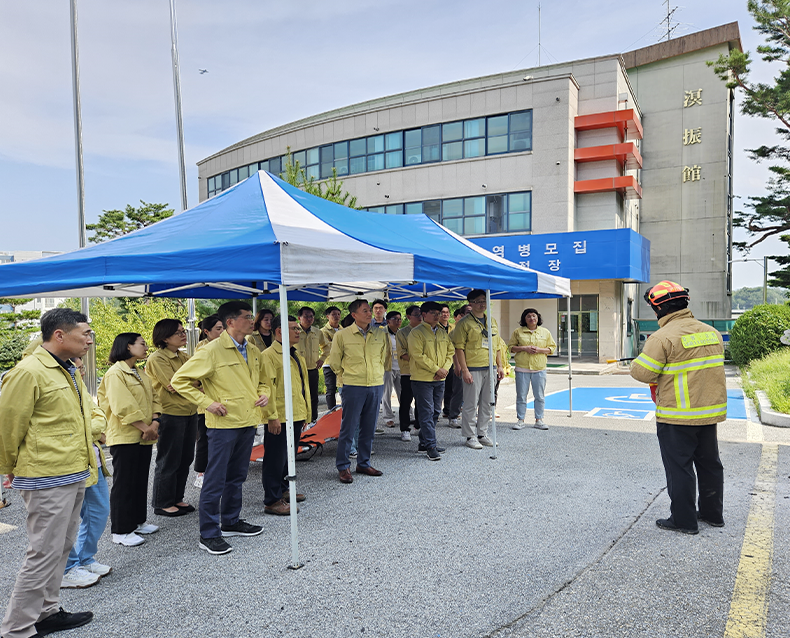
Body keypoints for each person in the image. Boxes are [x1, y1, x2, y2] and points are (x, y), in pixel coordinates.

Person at [0, 308, 96, 638]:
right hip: (46, 477)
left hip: (73, 472)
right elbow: (8, 425)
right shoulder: (28, 372)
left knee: (60, 547)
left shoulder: (68, 369)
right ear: (59, 335)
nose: (88, 339)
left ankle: (47, 611)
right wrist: (6, 471)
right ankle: (16, 629)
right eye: (83, 333)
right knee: (42, 552)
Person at [171, 301, 272, 555]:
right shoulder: (212, 351)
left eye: (252, 316)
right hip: (224, 425)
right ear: (230, 322)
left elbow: (263, 381)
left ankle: (230, 521)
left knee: (237, 476)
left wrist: (264, 394)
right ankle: (209, 533)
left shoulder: (253, 349)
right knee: (215, 479)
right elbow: (179, 380)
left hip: (248, 421)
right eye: (248, 317)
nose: (253, 320)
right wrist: (207, 403)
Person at [631, 281, 727, 535]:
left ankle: (684, 520)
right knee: (710, 465)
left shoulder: (662, 337)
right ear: (685, 302)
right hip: (708, 413)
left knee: (679, 468)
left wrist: (635, 362)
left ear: (657, 309)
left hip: (677, 416)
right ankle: (712, 514)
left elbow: (643, 372)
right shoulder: (711, 333)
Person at [98, 333, 162, 548]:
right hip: (125, 435)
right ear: (128, 346)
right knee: (124, 483)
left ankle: (137, 521)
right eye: (142, 344)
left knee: (140, 479)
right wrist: (146, 428)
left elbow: (155, 398)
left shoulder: (139, 372)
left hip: (144, 434)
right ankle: (121, 529)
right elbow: (122, 405)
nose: (146, 347)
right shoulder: (116, 373)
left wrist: (154, 423)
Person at [61, 356, 111, 589]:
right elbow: (68, 427)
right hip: (67, 463)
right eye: (77, 368)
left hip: (92, 460)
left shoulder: (80, 386)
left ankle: (85, 558)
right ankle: (68, 567)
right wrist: (91, 430)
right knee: (67, 520)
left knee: (99, 511)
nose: (81, 372)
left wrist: (91, 429)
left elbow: (98, 416)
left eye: (82, 368)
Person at [327, 299, 389, 484]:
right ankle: (343, 466)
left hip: (376, 384)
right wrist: (348, 378)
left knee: (369, 427)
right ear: (354, 315)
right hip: (353, 386)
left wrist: (377, 375)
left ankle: (363, 462)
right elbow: (335, 362)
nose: (370, 313)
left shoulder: (380, 333)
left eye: (370, 310)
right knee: (349, 427)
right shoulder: (342, 335)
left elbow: (384, 358)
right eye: (365, 311)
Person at [145, 319, 198, 517]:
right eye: (178, 332)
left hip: (190, 411)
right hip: (171, 412)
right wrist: (195, 384)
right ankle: (162, 502)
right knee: (169, 459)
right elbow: (173, 385)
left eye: (183, 331)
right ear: (165, 337)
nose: (183, 334)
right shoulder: (157, 358)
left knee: (185, 458)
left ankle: (177, 497)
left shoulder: (183, 356)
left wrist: (194, 383)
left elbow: (199, 377)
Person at [260, 315, 309, 515]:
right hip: (280, 416)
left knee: (288, 456)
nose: (298, 331)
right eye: (293, 328)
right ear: (279, 331)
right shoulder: (269, 355)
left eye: (298, 328)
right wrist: (272, 416)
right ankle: (272, 499)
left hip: (295, 413)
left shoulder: (294, 353)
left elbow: (303, 386)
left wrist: (307, 413)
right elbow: (266, 388)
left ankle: (283, 489)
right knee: (274, 458)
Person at [450, 290, 504, 449]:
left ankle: (482, 433)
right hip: (473, 368)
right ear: (471, 303)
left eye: (485, 300)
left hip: (490, 367)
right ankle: (470, 436)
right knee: (471, 404)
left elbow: (497, 345)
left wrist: (499, 365)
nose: (482, 304)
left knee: (488, 402)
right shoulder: (464, 323)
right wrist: (464, 369)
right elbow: (459, 348)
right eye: (479, 301)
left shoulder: (491, 321)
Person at [409, 302, 454, 461]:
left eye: (439, 312)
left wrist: (444, 370)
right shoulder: (416, 333)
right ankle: (430, 446)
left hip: (439, 378)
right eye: (433, 313)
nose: (438, 315)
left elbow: (451, 351)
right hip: (422, 379)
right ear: (424, 314)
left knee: (435, 412)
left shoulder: (442, 332)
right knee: (426, 412)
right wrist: (436, 369)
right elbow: (418, 355)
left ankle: (424, 442)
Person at [508, 308, 556, 430]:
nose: (532, 318)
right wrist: (524, 348)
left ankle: (539, 420)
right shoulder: (518, 332)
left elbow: (552, 348)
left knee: (539, 395)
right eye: (528, 316)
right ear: (524, 319)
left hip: (539, 368)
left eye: (534, 316)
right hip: (522, 368)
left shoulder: (545, 332)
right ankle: (520, 420)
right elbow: (511, 348)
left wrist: (539, 350)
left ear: (538, 318)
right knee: (521, 395)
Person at [193, 315, 224, 489]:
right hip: (206, 403)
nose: (222, 332)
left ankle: (216, 470)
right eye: (218, 329)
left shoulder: (225, 345)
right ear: (207, 332)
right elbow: (199, 376)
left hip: (221, 400)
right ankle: (201, 473)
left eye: (223, 328)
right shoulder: (203, 348)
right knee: (204, 439)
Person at [396, 305, 422, 441]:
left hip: (424, 373)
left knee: (421, 401)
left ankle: (419, 425)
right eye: (416, 314)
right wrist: (421, 360)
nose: (420, 317)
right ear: (408, 317)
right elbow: (402, 353)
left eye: (421, 314)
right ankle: (405, 428)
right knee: (406, 401)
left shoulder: (426, 331)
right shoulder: (402, 333)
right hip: (408, 372)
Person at [295, 306, 324, 424]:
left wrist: (322, 358)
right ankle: (300, 419)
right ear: (299, 318)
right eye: (306, 316)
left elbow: (326, 346)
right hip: (297, 370)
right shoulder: (293, 330)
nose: (309, 318)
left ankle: (313, 419)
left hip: (312, 368)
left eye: (311, 316)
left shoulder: (317, 332)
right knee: (299, 395)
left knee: (313, 396)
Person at [444, 306, 467, 427]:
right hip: (460, 365)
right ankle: (453, 416)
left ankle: (470, 418)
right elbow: (453, 350)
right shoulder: (455, 331)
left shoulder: (476, 328)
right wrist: (457, 365)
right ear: (461, 315)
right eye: (467, 313)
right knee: (458, 392)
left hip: (475, 364)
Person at [380, 310, 402, 428]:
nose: (398, 321)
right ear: (388, 321)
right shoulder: (381, 333)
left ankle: (407, 414)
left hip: (401, 367)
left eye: (399, 319)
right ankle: (388, 417)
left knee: (403, 393)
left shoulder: (402, 333)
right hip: (387, 367)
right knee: (386, 393)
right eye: (395, 319)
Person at [320, 306, 342, 411]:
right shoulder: (323, 331)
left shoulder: (344, 330)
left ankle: (345, 410)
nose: (336, 316)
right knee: (331, 389)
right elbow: (329, 346)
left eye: (338, 314)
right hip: (329, 363)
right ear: (327, 316)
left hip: (343, 363)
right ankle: (332, 411)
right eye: (333, 314)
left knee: (344, 388)